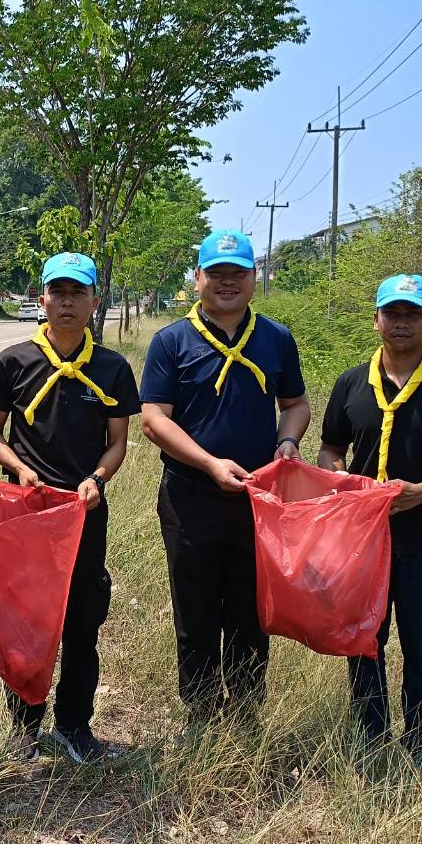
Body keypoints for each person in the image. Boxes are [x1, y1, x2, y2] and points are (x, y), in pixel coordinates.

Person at [317, 273, 422, 767]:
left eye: (413, 314)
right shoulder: (352, 383)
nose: (401, 323)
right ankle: (370, 741)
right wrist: (344, 482)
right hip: (362, 541)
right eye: (392, 313)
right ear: (375, 320)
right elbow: (331, 448)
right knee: (364, 643)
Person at [140, 230, 311, 724]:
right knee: (194, 606)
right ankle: (200, 710)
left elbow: (295, 404)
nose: (227, 282)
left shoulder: (276, 338)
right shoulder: (171, 341)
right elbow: (154, 419)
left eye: (238, 273)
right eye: (217, 273)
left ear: (254, 278)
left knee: (250, 607)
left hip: (258, 499)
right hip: (190, 496)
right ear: (198, 278)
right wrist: (210, 464)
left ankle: (245, 711)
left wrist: (288, 440)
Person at [0, 252, 140, 763]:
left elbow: (118, 442)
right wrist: (19, 468)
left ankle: (74, 725)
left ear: (95, 300)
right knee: (28, 619)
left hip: (85, 511)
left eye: (78, 293)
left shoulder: (112, 368)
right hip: (28, 513)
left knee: (83, 620)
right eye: (58, 292)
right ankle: (24, 725)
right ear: (42, 299)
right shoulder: (14, 361)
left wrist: (97, 479)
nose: (67, 302)